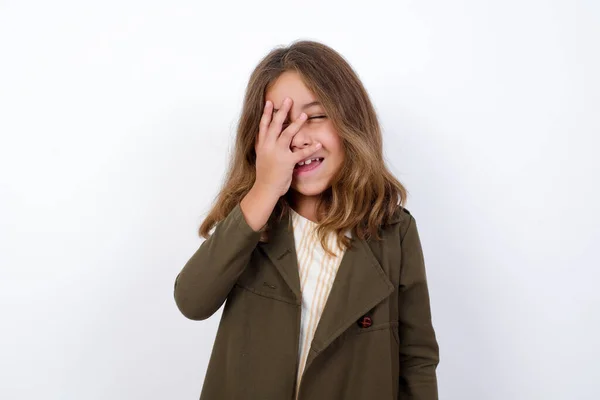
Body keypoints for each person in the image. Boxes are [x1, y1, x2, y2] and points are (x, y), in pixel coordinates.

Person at [173, 39, 439, 400]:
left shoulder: (394, 231)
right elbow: (192, 300)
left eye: (315, 116)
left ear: (350, 122)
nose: (298, 139)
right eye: (279, 124)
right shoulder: (254, 221)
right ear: (257, 140)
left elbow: (417, 360)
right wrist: (264, 190)